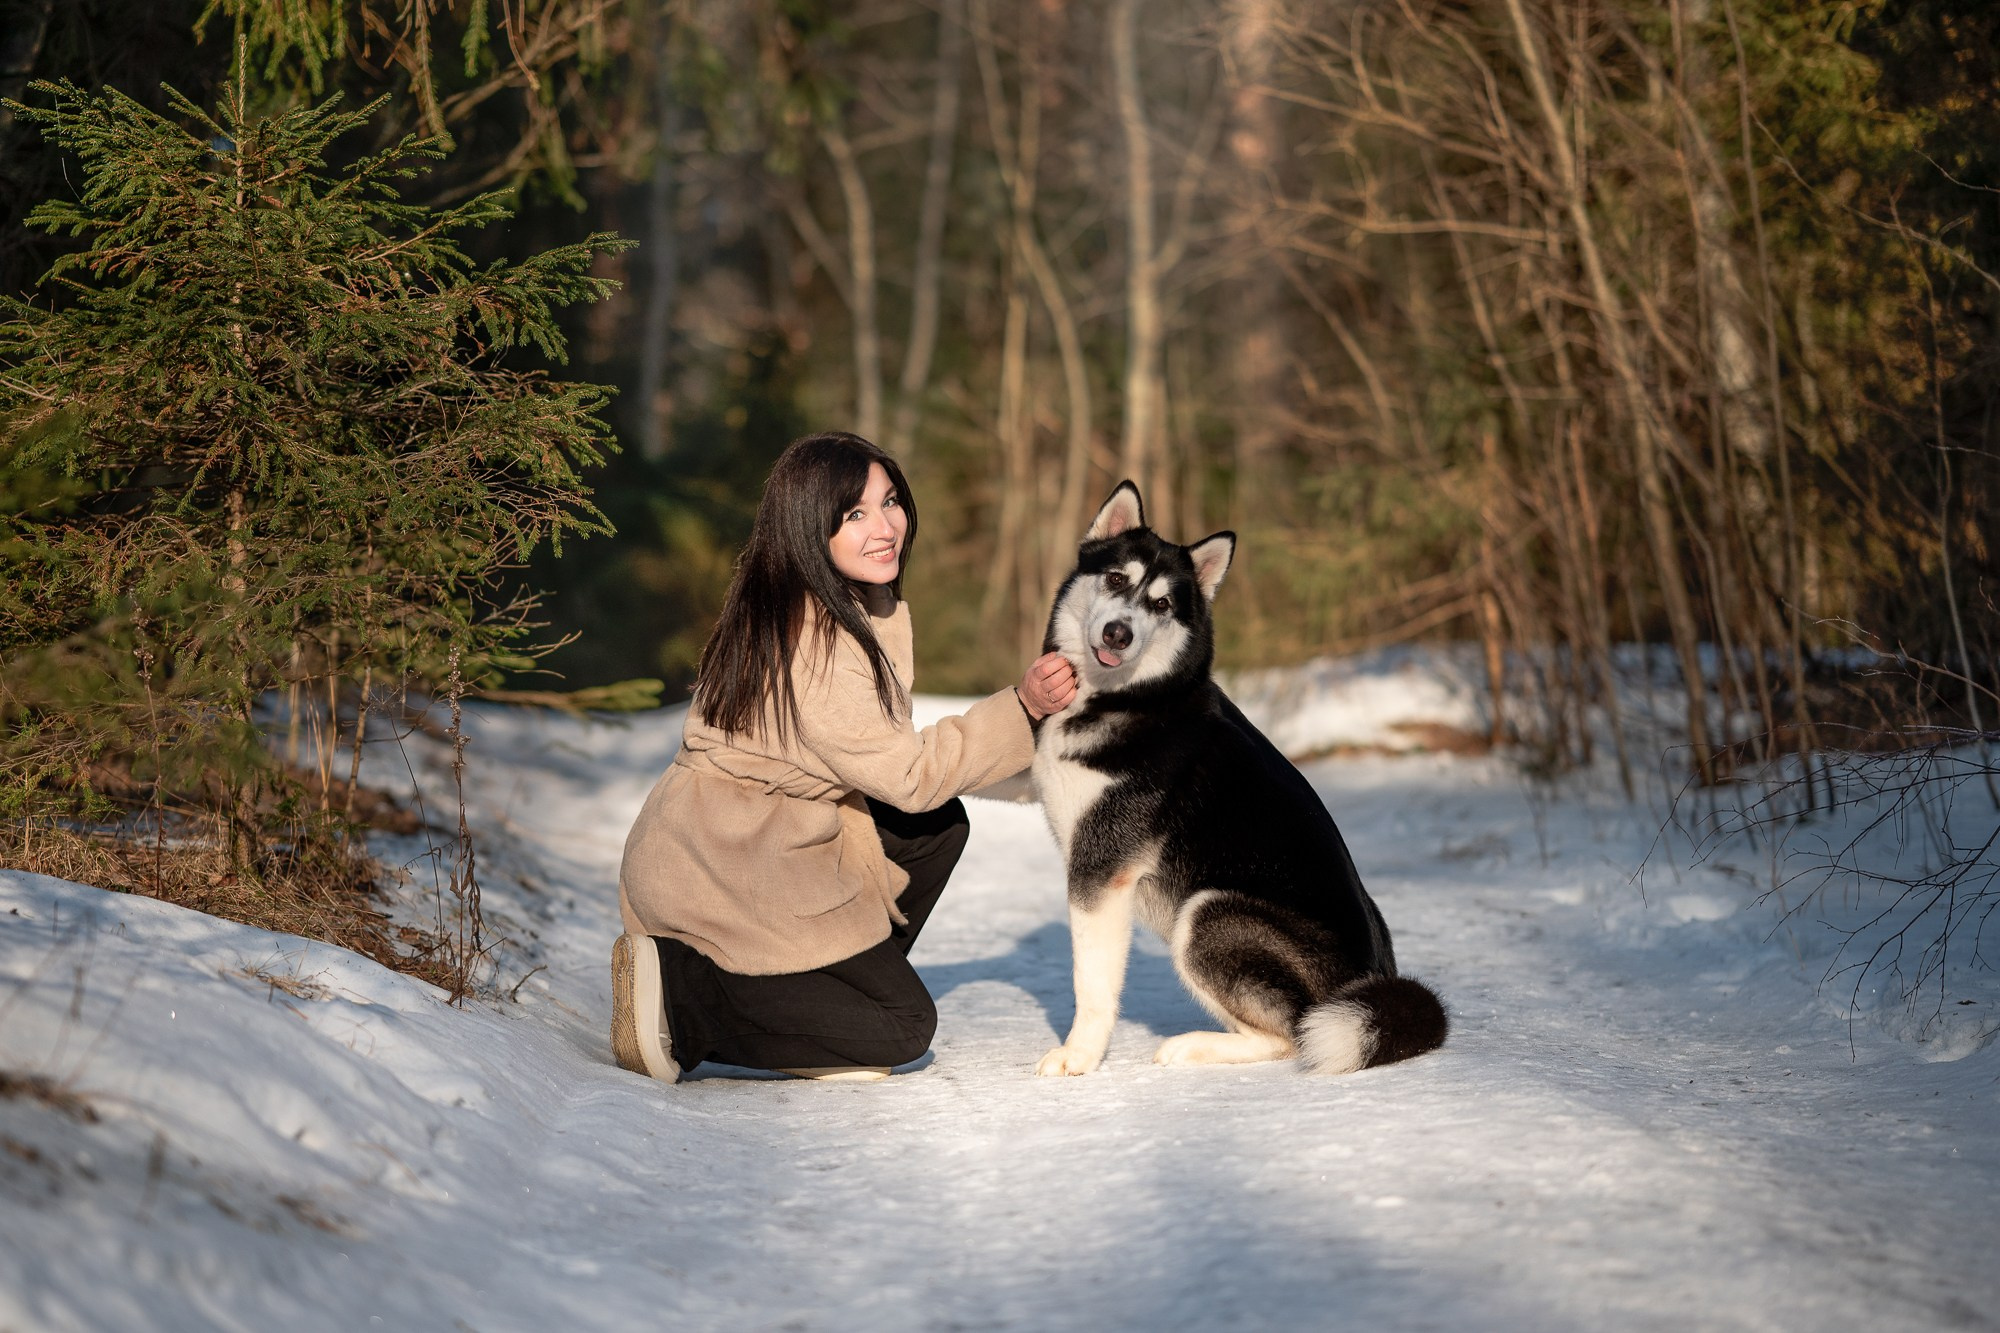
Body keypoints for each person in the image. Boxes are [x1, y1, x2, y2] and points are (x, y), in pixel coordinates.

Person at [611, 431, 1077, 1083]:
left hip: (740, 841)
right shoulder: (817, 640)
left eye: (890, 502)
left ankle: (820, 1002)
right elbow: (910, 775)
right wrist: (1022, 707)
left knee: (933, 830)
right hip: (720, 869)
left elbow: (886, 757)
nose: (885, 526)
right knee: (903, 1028)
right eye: (855, 514)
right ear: (811, 527)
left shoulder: (805, 596)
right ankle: (687, 998)